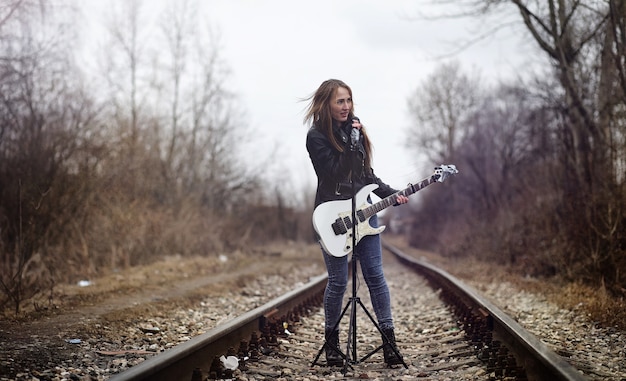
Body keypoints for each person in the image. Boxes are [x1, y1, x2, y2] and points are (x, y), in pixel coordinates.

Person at [304, 79, 408, 367]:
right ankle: (332, 346)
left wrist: (392, 193)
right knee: (338, 281)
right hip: (332, 216)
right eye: (340, 101)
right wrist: (350, 143)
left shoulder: (356, 132)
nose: (346, 107)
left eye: (349, 100)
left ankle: (389, 343)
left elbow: (366, 175)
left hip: (364, 212)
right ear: (326, 104)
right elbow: (337, 174)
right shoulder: (316, 137)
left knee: (375, 275)